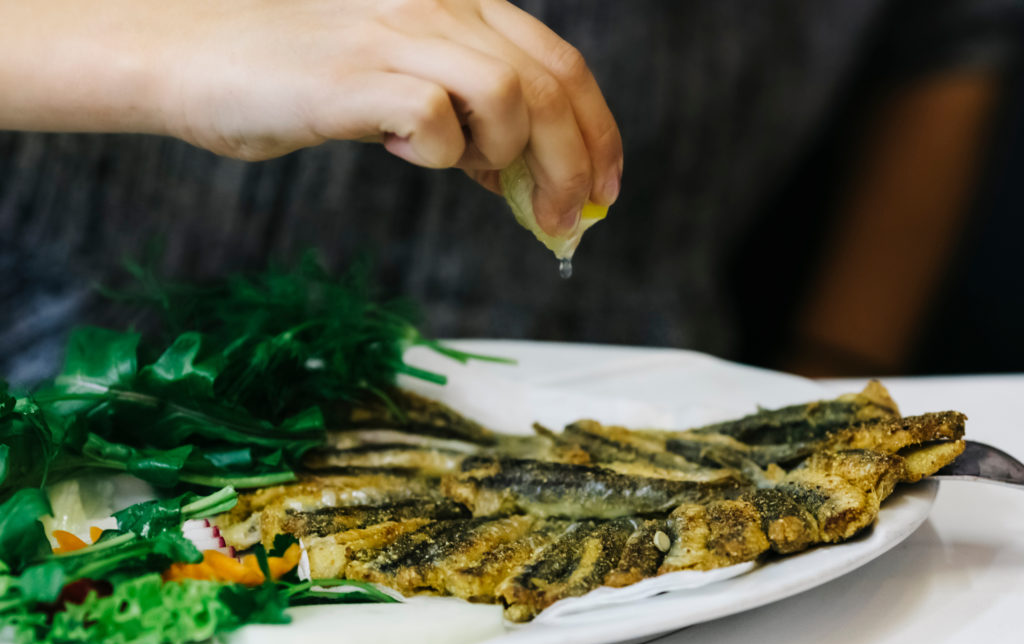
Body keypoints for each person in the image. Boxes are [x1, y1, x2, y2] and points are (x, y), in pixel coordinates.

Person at [1, 0, 1020, 387]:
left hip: (619, 441)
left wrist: (836, 373)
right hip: (78, 416)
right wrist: (160, 50)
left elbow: (946, 41)